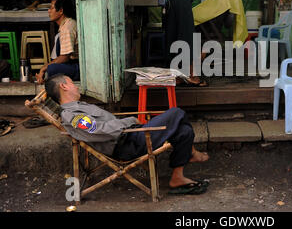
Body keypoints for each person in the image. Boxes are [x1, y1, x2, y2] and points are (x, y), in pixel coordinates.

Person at [45, 73, 210, 195]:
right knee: (176, 112)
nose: (76, 86)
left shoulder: (77, 106)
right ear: (64, 86)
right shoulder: (72, 116)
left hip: (129, 137)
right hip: (126, 144)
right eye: (72, 83)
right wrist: (129, 121)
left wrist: (128, 122)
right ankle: (192, 153)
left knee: (185, 131)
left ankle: (177, 178)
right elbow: (100, 130)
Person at [35, 0, 79, 84]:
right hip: (70, 64)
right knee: (51, 67)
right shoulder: (65, 25)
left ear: (61, 11)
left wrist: (44, 68)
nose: (49, 11)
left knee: (52, 69)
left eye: (51, 8)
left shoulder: (68, 27)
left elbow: (65, 58)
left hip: (78, 67)